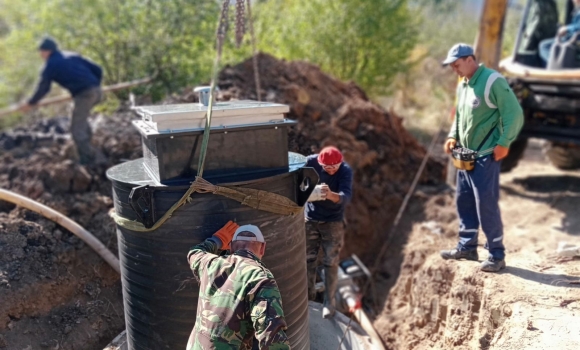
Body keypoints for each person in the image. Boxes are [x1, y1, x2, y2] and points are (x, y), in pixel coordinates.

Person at [441, 44, 524, 272]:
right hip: (465, 155)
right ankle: (467, 246)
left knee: (485, 204)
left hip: (486, 155)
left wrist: (504, 143)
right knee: (464, 199)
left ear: (469, 59)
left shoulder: (492, 81)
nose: (454, 70)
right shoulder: (464, 84)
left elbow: (514, 114)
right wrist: (452, 136)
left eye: (456, 65)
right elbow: (459, 115)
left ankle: (496, 254)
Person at [187, 221, 290, 350]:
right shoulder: (260, 278)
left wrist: (217, 240)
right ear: (263, 248)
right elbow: (272, 334)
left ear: (230, 247)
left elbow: (194, 252)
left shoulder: (211, 264)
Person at [20, 37, 104, 164]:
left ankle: (89, 159)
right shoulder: (72, 55)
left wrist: (31, 102)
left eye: (41, 51)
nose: (40, 54)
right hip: (96, 91)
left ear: (47, 51)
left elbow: (44, 88)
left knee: (76, 128)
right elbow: (98, 69)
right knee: (80, 119)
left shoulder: (50, 65)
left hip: (85, 94)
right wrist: (94, 85)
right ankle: (89, 147)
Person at [304, 146, 353, 318]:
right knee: (307, 260)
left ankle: (329, 302)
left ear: (340, 163)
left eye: (334, 166)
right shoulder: (311, 162)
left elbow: (345, 197)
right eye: (326, 167)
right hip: (311, 220)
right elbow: (295, 167)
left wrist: (329, 194)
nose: (330, 170)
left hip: (332, 222)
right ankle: (308, 300)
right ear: (320, 162)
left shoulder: (345, 171)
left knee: (330, 261)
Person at [539, 0, 580, 65]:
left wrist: (566, 28)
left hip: (575, 40)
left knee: (544, 46)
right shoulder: (576, 10)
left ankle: (554, 67)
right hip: (572, 38)